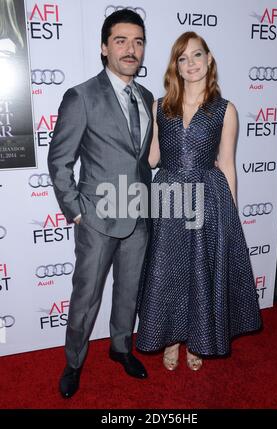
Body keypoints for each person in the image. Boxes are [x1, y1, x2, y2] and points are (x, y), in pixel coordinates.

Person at [136, 31, 262, 371]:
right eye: (182, 58)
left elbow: (228, 165)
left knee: (200, 272)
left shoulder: (225, 110)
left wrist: (230, 217)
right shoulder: (160, 106)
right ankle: (172, 339)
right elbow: (152, 159)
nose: (190, 63)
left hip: (209, 197)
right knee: (169, 272)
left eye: (196, 55)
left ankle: (196, 340)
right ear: (175, 66)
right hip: (169, 197)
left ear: (209, 60)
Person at [48, 9, 153, 398]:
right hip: (97, 217)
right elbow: (60, 160)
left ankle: (121, 348)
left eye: (138, 41)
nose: (131, 49)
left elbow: (144, 158)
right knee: (86, 297)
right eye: (122, 40)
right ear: (104, 48)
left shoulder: (145, 96)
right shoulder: (81, 96)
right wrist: (75, 210)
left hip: (139, 216)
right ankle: (74, 362)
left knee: (129, 290)